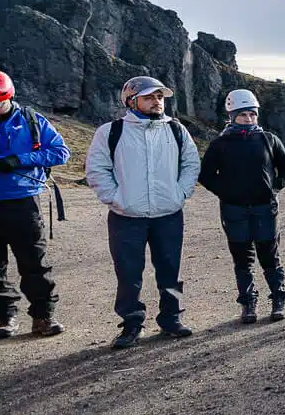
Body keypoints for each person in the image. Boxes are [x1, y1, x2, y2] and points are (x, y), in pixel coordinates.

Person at [85, 76, 201, 349]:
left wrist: (180, 194)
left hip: (168, 214)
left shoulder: (176, 130)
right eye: (149, 97)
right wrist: (115, 199)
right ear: (130, 101)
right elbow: (96, 169)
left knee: (171, 270)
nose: (157, 101)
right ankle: (132, 322)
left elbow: (191, 164)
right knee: (128, 272)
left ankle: (172, 317)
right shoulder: (110, 132)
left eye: (160, 97)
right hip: (126, 216)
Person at [0, 69, 71, 339]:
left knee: (34, 262)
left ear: (7, 97)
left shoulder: (32, 120)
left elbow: (60, 152)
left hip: (22, 202)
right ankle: (5, 318)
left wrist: (18, 159)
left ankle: (43, 316)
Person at [198, 89, 285, 324]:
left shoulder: (268, 139)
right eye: (243, 115)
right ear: (232, 116)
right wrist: (227, 193)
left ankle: (278, 299)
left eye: (252, 114)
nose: (249, 119)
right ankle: (248, 303)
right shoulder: (220, 144)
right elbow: (206, 175)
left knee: (269, 256)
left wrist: (273, 189)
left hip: (265, 208)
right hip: (234, 211)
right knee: (243, 259)